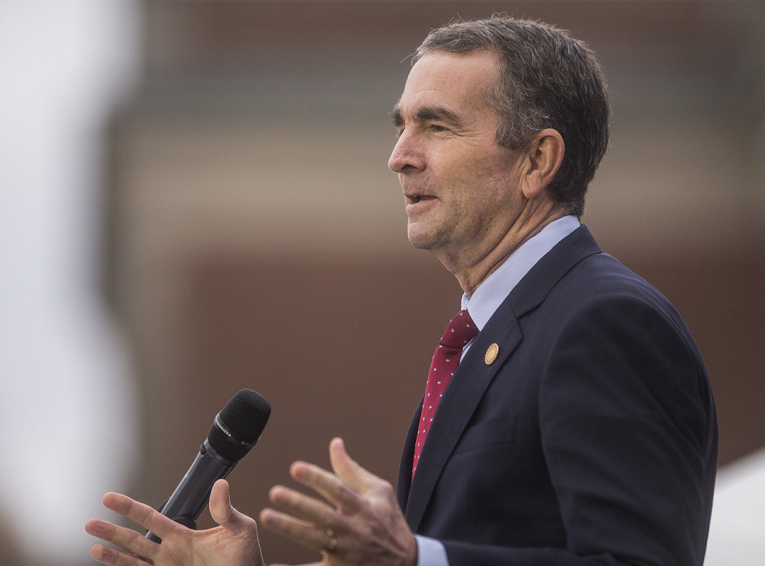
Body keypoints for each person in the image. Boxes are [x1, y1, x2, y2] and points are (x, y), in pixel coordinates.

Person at [85, 16, 718, 566]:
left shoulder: (606, 322)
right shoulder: (481, 339)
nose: (399, 156)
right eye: (401, 126)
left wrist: (418, 558)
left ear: (536, 161)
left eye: (436, 127)